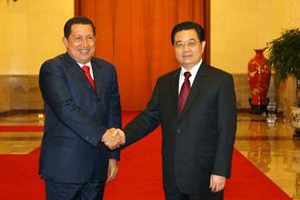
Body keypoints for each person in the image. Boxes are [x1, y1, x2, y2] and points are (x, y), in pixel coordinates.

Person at [105, 21, 237, 200]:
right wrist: (122, 135)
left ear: (203, 45)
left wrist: (220, 171)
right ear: (173, 48)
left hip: (205, 175)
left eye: (191, 42)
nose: (185, 49)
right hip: (173, 175)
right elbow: (149, 117)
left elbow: (226, 130)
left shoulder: (220, 81)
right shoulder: (165, 83)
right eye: (179, 44)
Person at [38, 16, 124, 200]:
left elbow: (113, 111)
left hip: (98, 164)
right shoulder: (52, 68)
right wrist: (103, 135)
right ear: (65, 41)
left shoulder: (107, 70)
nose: (84, 44)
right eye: (78, 38)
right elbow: (65, 109)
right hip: (64, 167)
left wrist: (113, 155)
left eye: (90, 37)